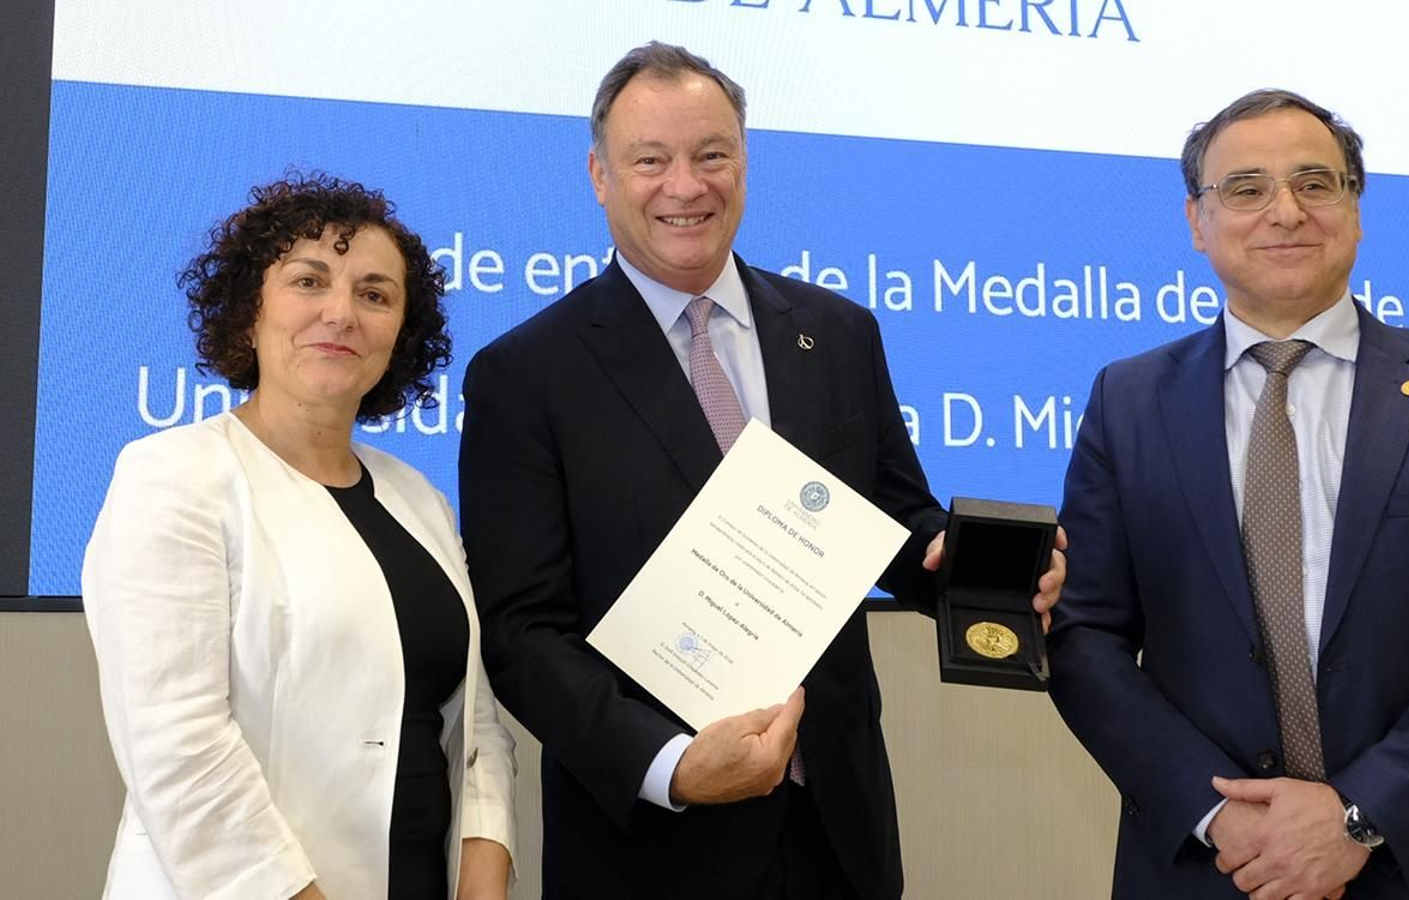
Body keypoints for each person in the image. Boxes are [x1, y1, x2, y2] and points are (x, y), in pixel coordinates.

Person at [459, 42, 1062, 899]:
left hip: (838, 834)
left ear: (744, 162)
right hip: (650, 853)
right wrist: (669, 765)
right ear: (599, 175)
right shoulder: (525, 375)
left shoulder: (838, 333)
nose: (686, 186)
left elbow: (893, 521)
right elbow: (523, 632)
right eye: (650, 160)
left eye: (712, 155)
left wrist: (974, 568)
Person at [1047, 88, 1409, 899]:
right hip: (1217, 865)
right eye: (1247, 188)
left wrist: (1359, 814)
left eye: (1315, 182)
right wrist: (1217, 813)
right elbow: (1086, 636)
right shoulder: (1128, 402)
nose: (1285, 211)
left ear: (1356, 211)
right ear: (1197, 222)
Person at [82, 174, 517, 899]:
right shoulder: (173, 475)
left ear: (400, 336)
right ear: (249, 309)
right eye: (309, 281)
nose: (341, 313)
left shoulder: (422, 502)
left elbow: (476, 730)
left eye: (375, 295)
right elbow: (178, 752)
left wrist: (484, 875)